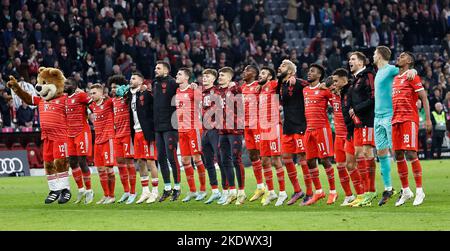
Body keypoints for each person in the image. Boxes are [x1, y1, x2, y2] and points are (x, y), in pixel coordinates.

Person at [372, 46, 416, 206]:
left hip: (390, 115)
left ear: (380, 55)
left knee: (397, 151)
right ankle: (389, 188)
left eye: (375, 53)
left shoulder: (391, 69)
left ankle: (406, 189)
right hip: (377, 117)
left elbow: (407, 73)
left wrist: (414, 72)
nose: (373, 56)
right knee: (381, 152)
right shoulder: (378, 72)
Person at [392, 52, 432, 207]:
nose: (398, 57)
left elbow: (424, 97)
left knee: (411, 153)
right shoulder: (396, 79)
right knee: (398, 154)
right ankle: (406, 190)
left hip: (409, 119)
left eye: (402, 56)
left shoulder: (412, 76)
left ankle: (420, 190)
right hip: (396, 120)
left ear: (409, 61)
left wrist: (428, 119)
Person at [302, 64, 337, 206]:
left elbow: (335, 101)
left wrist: (329, 88)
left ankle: (333, 192)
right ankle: (319, 192)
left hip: (321, 129)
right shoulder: (305, 90)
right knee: (309, 161)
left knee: (324, 160)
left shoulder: (324, 90)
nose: (309, 73)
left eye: (313, 71)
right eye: (309, 71)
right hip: (309, 130)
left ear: (319, 76)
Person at [277, 59, 311, 205]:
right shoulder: (280, 84)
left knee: (302, 159)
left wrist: (296, 78)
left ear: (290, 71)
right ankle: (298, 190)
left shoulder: (297, 83)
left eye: (283, 66)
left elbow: (312, 85)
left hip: (300, 125)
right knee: (285, 158)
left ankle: (310, 193)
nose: (280, 67)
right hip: (288, 126)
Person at [332, 68, 365, 206]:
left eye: (335, 81)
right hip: (341, 135)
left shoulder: (351, 91)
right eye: (332, 82)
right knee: (343, 165)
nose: (333, 85)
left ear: (343, 79)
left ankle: (364, 193)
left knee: (356, 163)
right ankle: (350, 195)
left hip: (353, 131)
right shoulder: (332, 94)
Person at [347, 51, 377, 207]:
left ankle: (371, 191)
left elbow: (374, 97)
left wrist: (356, 109)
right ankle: (365, 192)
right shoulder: (355, 79)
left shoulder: (368, 75)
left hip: (368, 120)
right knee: (359, 154)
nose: (349, 61)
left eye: (353, 59)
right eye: (349, 59)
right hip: (358, 123)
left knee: (367, 153)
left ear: (361, 62)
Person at [174, 68, 207, 202]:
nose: (177, 75)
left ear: (186, 77)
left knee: (197, 159)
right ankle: (192, 191)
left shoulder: (193, 90)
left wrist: (197, 89)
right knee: (185, 161)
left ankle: (203, 190)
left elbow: (202, 103)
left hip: (193, 129)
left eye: (179, 74)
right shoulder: (176, 91)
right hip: (181, 130)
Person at [152, 61, 182, 202]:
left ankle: (177, 187)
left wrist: (193, 85)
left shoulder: (172, 83)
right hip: (158, 127)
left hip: (170, 126)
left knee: (171, 157)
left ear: (166, 70)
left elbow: (183, 89)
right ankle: (167, 188)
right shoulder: (155, 83)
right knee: (161, 158)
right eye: (155, 67)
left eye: (158, 68)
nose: (155, 70)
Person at [216, 67, 246, 205]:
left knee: (236, 160)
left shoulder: (235, 89)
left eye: (222, 75)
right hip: (222, 131)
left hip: (235, 130)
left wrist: (234, 86)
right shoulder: (218, 91)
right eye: (219, 75)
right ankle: (232, 192)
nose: (219, 77)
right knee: (225, 161)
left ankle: (242, 192)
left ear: (229, 78)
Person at [128, 72, 159, 204]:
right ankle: (145, 191)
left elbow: (155, 103)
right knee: (140, 162)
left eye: (134, 78)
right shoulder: (131, 95)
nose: (131, 80)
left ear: (141, 81)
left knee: (151, 161)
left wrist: (149, 90)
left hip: (147, 133)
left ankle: (155, 191)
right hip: (136, 132)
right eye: (130, 78)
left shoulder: (146, 94)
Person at [257, 67, 285, 206]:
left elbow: (281, 80)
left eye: (263, 73)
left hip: (274, 126)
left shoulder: (273, 84)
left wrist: (287, 74)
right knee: (264, 161)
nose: (259, 75)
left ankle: (283, 192)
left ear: (269, 77)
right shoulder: (260, 90)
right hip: (263, 128)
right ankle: (272, 192)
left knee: (276, 160)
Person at [64, 77, 94, 204]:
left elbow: (93, 105)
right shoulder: (65, 99)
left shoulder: (81, 95)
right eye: (65, 83)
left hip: (82, 132)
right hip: (69, 134)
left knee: (82, 161)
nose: (65, 85)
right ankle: (80, 189)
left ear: (75, 85)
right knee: (72, 162)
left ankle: (89, 190)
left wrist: (95, 119)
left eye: (68, 83)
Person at [108, 75, 137, 204]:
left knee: (129, 163)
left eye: (115, 87)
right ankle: (126, 191)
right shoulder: (112, 101)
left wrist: (127, 91)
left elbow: (134, 93)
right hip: (117, 135)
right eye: (111, 87)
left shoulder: (127, 99)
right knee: (120, 163)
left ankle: (133, 192)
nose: (113, 89)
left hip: (127, 134)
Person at [241, 65, 266, 202]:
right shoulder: (243, 87)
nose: (244, 72)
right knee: (252, 154)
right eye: (244, 70)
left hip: (257, 124)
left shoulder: (259, 85)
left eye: (247, 70)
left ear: (255, 73)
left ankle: (269, 188)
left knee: (263, 154)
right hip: (246, 125)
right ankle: (260, 186)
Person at [89, 84, 116, 204]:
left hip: (108, 139)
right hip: (98, 141)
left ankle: (112, 195)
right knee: (100, 169)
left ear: (101, 93)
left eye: (94, 93)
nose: (92, 95)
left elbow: (118, 99)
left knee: (109, 170)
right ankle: (105, 195)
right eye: (91, 93)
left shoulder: (109, 103)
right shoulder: (93, 105)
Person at [201, 69, 224, 204]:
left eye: (207, 76)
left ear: (213, 79)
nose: (204, 78)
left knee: (220, 161)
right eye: (203, 76)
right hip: (205, 131)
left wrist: (217, 123)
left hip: (215, 131)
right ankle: (215, 190)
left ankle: (227, 190)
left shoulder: (217, 92)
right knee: (208, 162)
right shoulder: (202, 92)